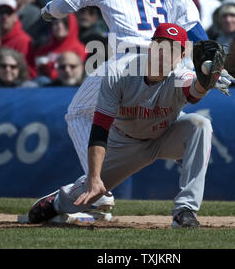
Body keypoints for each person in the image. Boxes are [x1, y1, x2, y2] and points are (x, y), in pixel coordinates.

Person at [39, 0, 234, 214]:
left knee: (77, 113)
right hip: (171, 59)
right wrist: (209, 65)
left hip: (132, 61)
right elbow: (194, 26)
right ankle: (175, 197)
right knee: (183, 118)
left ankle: (97, 184)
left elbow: (67, 2)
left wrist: (47, 12)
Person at [27, 23, 214, 227]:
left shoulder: (181, 74)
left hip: (165, 134)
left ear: (182, 55)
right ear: (151, 47)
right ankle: (57, 202)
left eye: (173, 49)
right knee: (87, 194)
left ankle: (185, 210)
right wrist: (94, 176)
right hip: (125, 143)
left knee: (200, 125)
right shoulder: (119, 72)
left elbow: (194, 91)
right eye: (161, 46)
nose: (165, 54)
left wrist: (206, 81)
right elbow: (100, 128)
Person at [0, 0, 37, 78]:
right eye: (1, 12)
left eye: (9, 12)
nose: (4, 16)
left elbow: (29, 73)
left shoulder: (24, 41)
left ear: (16, 16)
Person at [35, 14, 86, 80]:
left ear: (72, 24)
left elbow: (76, 76)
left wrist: (48, 65)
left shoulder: (80, 50)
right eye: (55, 23)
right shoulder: (43, 50)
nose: (59, 26)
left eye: (65, 23)